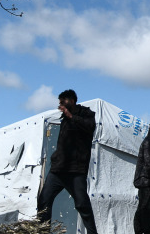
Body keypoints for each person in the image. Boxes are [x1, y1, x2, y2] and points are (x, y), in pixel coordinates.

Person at [37, 89, 99, 234]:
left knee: (82, 205)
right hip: (58, 170)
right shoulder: (64, 118)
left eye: (62, 102)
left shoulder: (86, 113)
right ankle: (42, 231)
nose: (60, 106)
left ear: (71, 101)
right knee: (43, 202)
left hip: (75, 171)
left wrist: (71, 116)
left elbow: (90, 127)